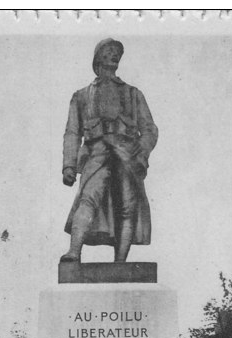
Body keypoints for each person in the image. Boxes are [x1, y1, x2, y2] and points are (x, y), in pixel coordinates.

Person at [60, 38, 158, 263]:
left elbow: (150, 129)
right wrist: (69, 165)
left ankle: (120, 263)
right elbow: (72, 132)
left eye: (117, 52)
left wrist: (141, 152)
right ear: (98, 58)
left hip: (127, 155)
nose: (114, 55)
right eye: (109, 51)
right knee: (87, 199)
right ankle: (74, 252)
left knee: (127, 206)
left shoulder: (134, 94)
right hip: (97, 153)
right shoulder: (82, 96)